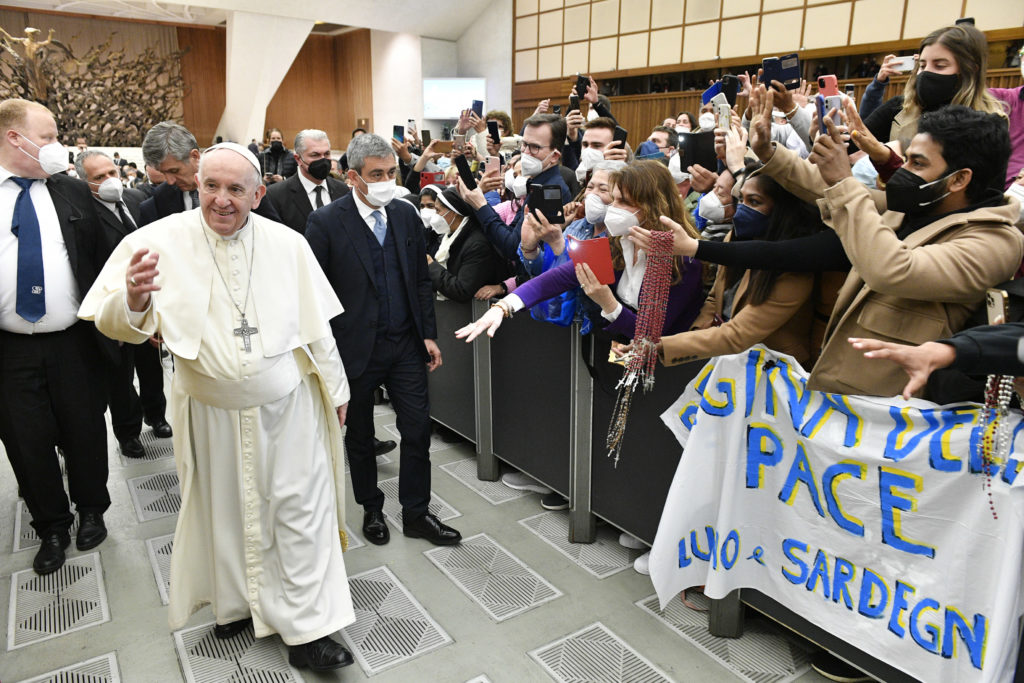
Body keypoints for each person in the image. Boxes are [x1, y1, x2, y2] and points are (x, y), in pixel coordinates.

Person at [78, 143, 356, 672]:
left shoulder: (288, 243)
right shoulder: (155, 241)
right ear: (196, 185)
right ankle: (239, 603)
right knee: (224, 510)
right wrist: (135, 300)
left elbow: (317, 329)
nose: (221, 201)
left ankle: (308, 628)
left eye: (235, 189)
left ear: (258, 192)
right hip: (207, 409)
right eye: (211, 186)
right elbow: (111, 320)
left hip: (286, 407)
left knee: (298, 512)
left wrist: (336, 392)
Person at [704, 94, 1024, 398]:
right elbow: (821, 187)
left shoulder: (996, 240)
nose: (902, 171)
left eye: (917, 163)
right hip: (844, 388)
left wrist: (844, 182)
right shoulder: (920, 205)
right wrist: (766, 153)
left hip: (898, 409)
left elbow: (894, 270)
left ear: (958, 179)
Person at [305, 133, 461, 548]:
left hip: (405, 344)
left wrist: (428, 334)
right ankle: (371, 508)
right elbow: (314, 294)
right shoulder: (325, 223)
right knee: (359, 435)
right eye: (377, 174)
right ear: (353, 176)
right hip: (354, 348)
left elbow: (420, 282)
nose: (387, 181)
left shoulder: (406, 215)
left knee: (416, 429)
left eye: (391, 172)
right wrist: (325, 354)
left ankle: (416, 513)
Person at [0, 99, 110, 575]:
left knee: (84, 427)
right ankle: (51, 525)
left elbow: (103, 258)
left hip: (73, 340)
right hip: (9, 346)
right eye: (46, 137)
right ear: (13, 138)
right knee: (25, 439)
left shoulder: (71, 191)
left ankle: (91, 510)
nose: (56, 147)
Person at [457, 160, 704, 344]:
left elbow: (652, 333)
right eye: (614, 199)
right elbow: (559, 278)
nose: (613, 208)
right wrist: (504, 307)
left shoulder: (683, 259)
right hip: (615, 356)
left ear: (654, 205)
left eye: (623, 201)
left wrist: (607, 302)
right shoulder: (617, 242)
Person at [75, 150, 171, 458]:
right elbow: (87, 270)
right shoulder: (83, 213)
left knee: (152, 366)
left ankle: (155, 415)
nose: (109, 181)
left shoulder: (133, 199)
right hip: (114, 306)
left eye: (111, 173)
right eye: (98, 177)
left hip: (147, 300)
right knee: (120, 376)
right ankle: (128, 433)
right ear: (83, 182)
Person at [862, 23, 1005, 153]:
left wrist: (888, 159)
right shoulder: (899, 107)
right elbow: (854, 142)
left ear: (970, 70)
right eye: (922, 66)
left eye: (940, 65)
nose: (925, 73)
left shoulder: (990, 125)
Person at [139, 121, 281, 225]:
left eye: (174, 171)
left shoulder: (238, 182)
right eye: (164, 173)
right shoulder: (161, 199)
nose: (170, 181)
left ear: (194, 156)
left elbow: (272, 230)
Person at [426, 188, 505, 302]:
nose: (435, 215)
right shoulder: (448, 236)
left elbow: (462, 290)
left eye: (438, 211)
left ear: (454, 212)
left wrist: (431, 266)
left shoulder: (476, 245)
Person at [265, 129, 349, 235]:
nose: (323, 160)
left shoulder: (343, 190)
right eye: (315, 155)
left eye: (327, 154)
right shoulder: (275, 196)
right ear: (298, 159)